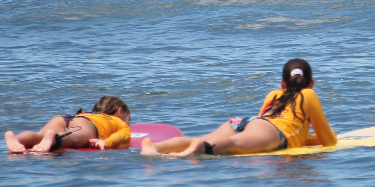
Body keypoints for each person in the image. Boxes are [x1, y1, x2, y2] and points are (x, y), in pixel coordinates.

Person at [141, 59, 336, 156]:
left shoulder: (274, 94)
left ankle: (154, 146)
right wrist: (314, 139)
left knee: (199, 138)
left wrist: (308, 138)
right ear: (312, 83)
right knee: (233, 145)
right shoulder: (309, 94)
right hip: (272, 132)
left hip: (246, 122)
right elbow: (328, 141)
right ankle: (201, 149)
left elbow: (259, 123)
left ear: (282, 83)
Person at [4, 96, 131, 153]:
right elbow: (123, 135)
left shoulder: (90, 114)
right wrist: (106, 142)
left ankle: (16, 139)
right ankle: (53, 139)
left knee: (40, 135)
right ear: (120, 111)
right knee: (70, 137)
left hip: (68, 117)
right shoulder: (119, 122)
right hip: (89, 125)